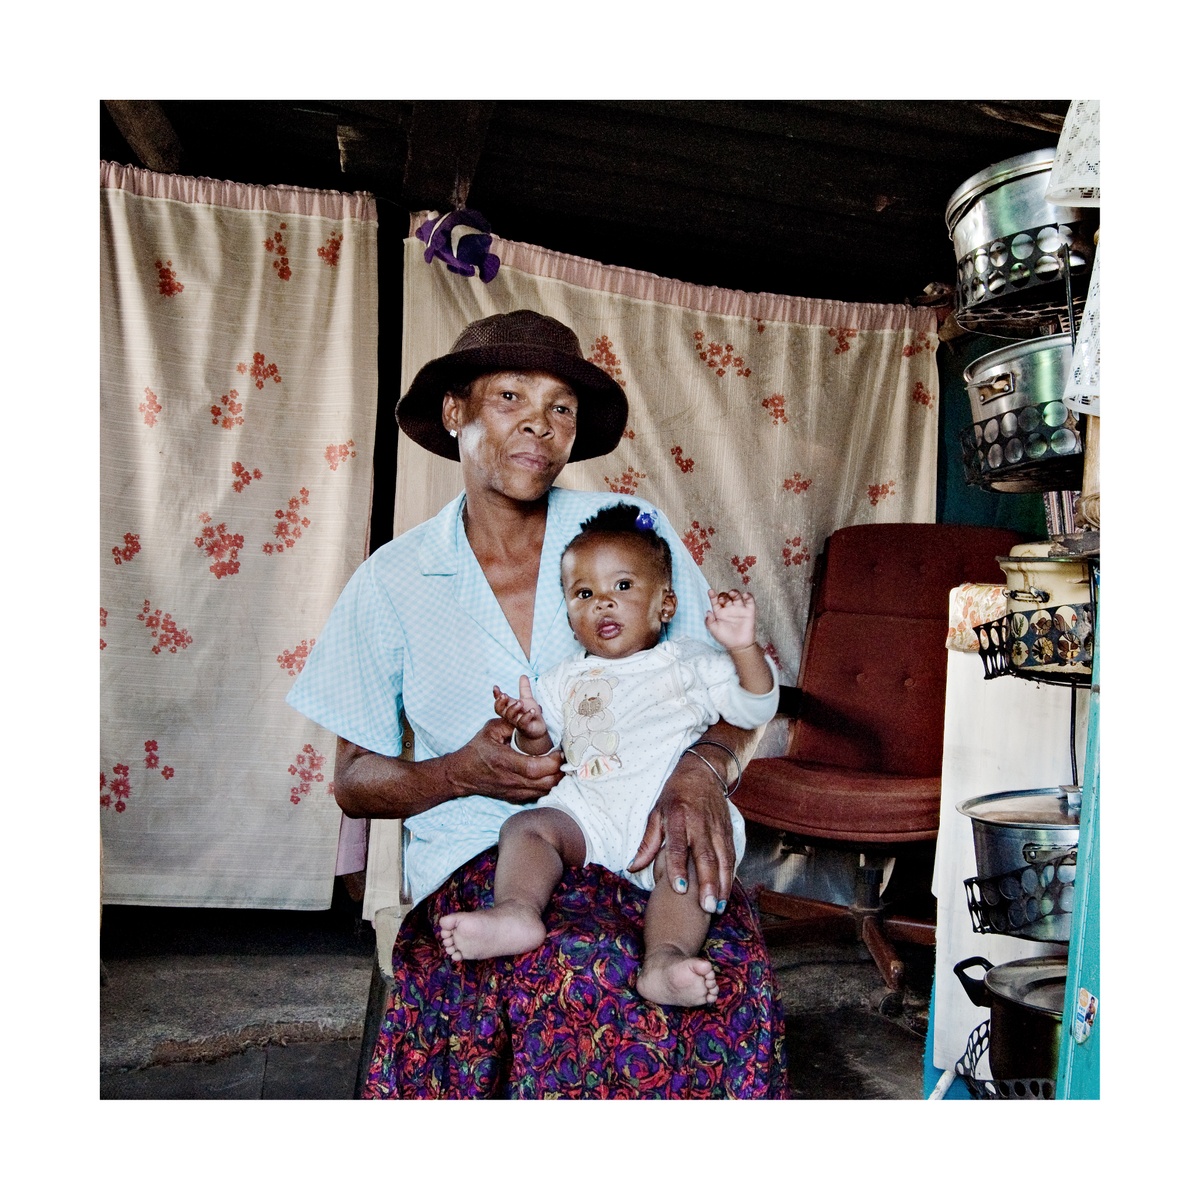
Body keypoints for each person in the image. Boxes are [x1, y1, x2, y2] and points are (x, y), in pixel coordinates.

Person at [287, 309, 789, 1098]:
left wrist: (702, 769)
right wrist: (458, 773)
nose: (539, 424)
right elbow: (353, 782)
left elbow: (729, 689)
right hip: (486, 858)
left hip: (649, 840)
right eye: (510, 397)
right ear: (456, 412)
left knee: (723, 983)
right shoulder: (392, 581)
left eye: (561, 407)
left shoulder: (626, 537)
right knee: (574, 974)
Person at [437, 503, 779, 1010]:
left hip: (666, 818)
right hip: (588, 816)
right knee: (527, 827)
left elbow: (755, 707)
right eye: (584, 594)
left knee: (685, 869)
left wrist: (743, 648)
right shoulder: (564, 679)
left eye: (622, 586)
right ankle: (517, 911)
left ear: (666, 604)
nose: (603, 603)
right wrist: (531, 731)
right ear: (569, 616)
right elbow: (542, 758)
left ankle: (664, 960)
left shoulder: (688, 663)